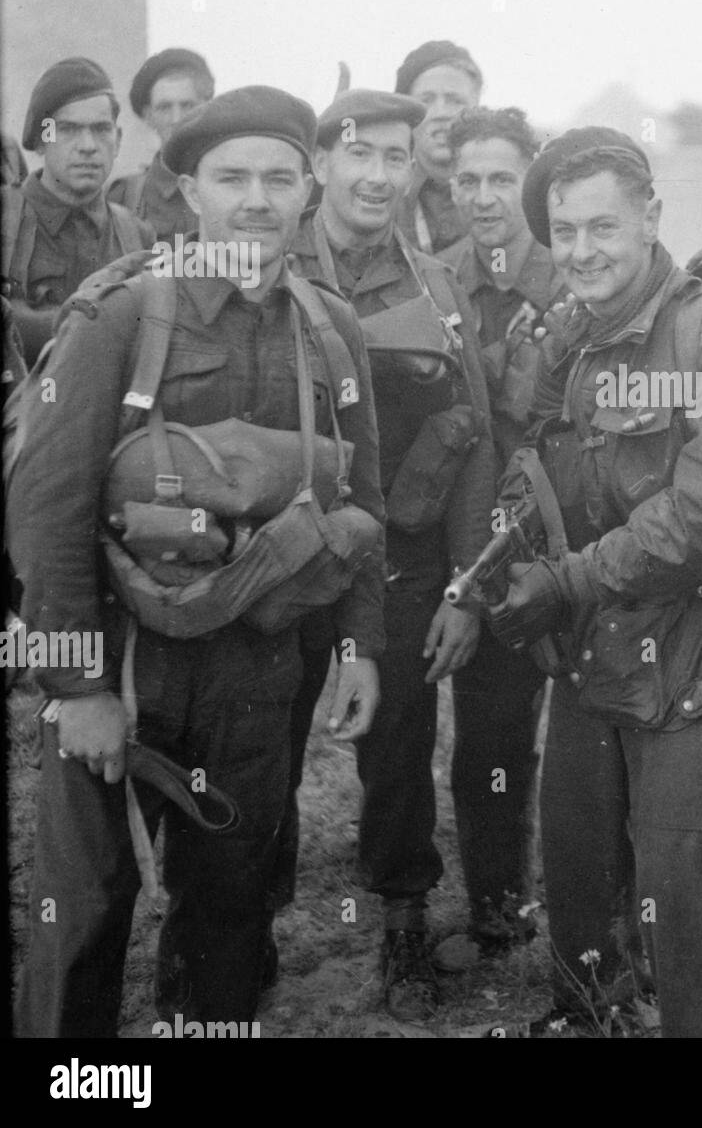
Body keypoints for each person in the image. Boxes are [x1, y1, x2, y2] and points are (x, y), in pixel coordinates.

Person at [11, 85, 385, 1036]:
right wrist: (82, 685)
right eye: (232, 178)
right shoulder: (123, 317)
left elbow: (362, 502)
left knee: (232, 898)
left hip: (259, 661)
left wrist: (360, 649)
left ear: (307, 190)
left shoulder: (330, 327)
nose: (256, 199)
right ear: (187, 191)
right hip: (127, 657)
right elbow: (46, 509)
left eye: (277, 177)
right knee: (87, 905)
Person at [486, 127, 702, 1037]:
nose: (582, 252)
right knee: (575, 873)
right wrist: (510, 548)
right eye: (565, 233)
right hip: (587, 656)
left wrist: (566, 579)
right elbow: (529, 459)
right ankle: (588, 1017)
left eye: (603, 228)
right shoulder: (566, 334)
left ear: (651, 216)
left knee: (685, 893)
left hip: (691, 661)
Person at [284, 88, 495, 1018]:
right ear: (321, 162)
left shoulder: (436, 284)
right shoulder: (263, 265)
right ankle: (236, 922)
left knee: (400, 741)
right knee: (258, 740)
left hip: (400, 558)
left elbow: (474, 437)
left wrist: (467, 585)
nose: (377, 174)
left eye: (396, 156)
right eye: (357, 152)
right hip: (282, 551)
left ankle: (404, 923)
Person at [437, 106, 566, 952]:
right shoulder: (433, 281)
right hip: (472, 539)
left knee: (601, 731)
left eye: (500, 179)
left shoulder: (568, 277)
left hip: (572, 532)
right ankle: (496, 902)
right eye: (467, 181)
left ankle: (610, 907)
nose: (485, 198)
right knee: (490, 732)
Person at [2, 57, 155, 366]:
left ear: (118, 139)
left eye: (101, 130)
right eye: (68, 129)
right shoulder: (6, 219)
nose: (88, 146)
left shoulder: (136, 235)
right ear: (42, 139)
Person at [108, 47, 215, 237]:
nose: (177, 118)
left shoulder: (229, 186)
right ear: (148, 116)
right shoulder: (125, 196)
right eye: (165, 108)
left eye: (188, 105)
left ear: (206, 109)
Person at [393, 40, 483, 254]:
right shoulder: (386, 191)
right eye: (426, 100)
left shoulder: (508, 192)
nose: (441, 113)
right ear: (407, 113)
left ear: (476, 109)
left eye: (455, 100)